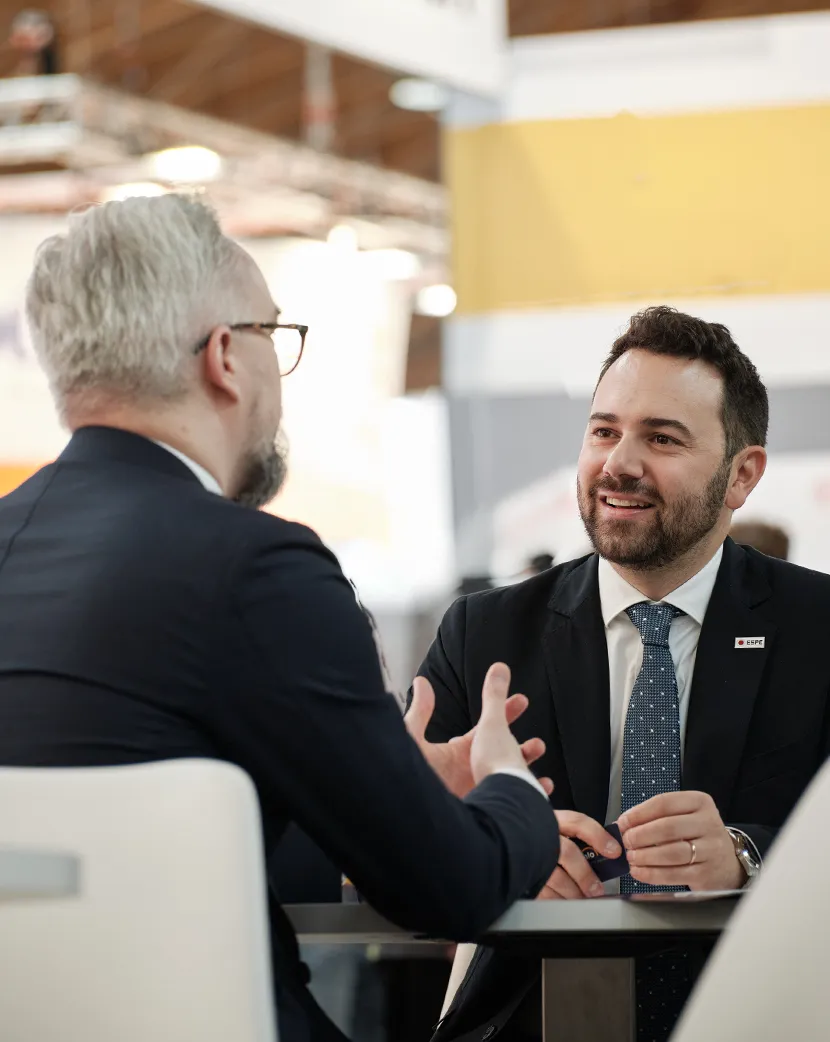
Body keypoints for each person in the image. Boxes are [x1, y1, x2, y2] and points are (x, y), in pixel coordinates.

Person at [0, 194, 561, 1042]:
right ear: (226, 356)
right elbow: (451, 889)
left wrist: (386, 787)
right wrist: (507, 791)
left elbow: (139, 815)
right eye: (274, 335)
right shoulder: (257, 567)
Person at [416, 306, 830, 1042]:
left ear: (743, 475)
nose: (619, 463)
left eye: (662, 438)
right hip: (528, 1016)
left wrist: (745, 854)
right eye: (604, 431)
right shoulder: (485, 633)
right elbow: (398, 834)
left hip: (772, 1011)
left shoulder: (817, 628)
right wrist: (502, 847)